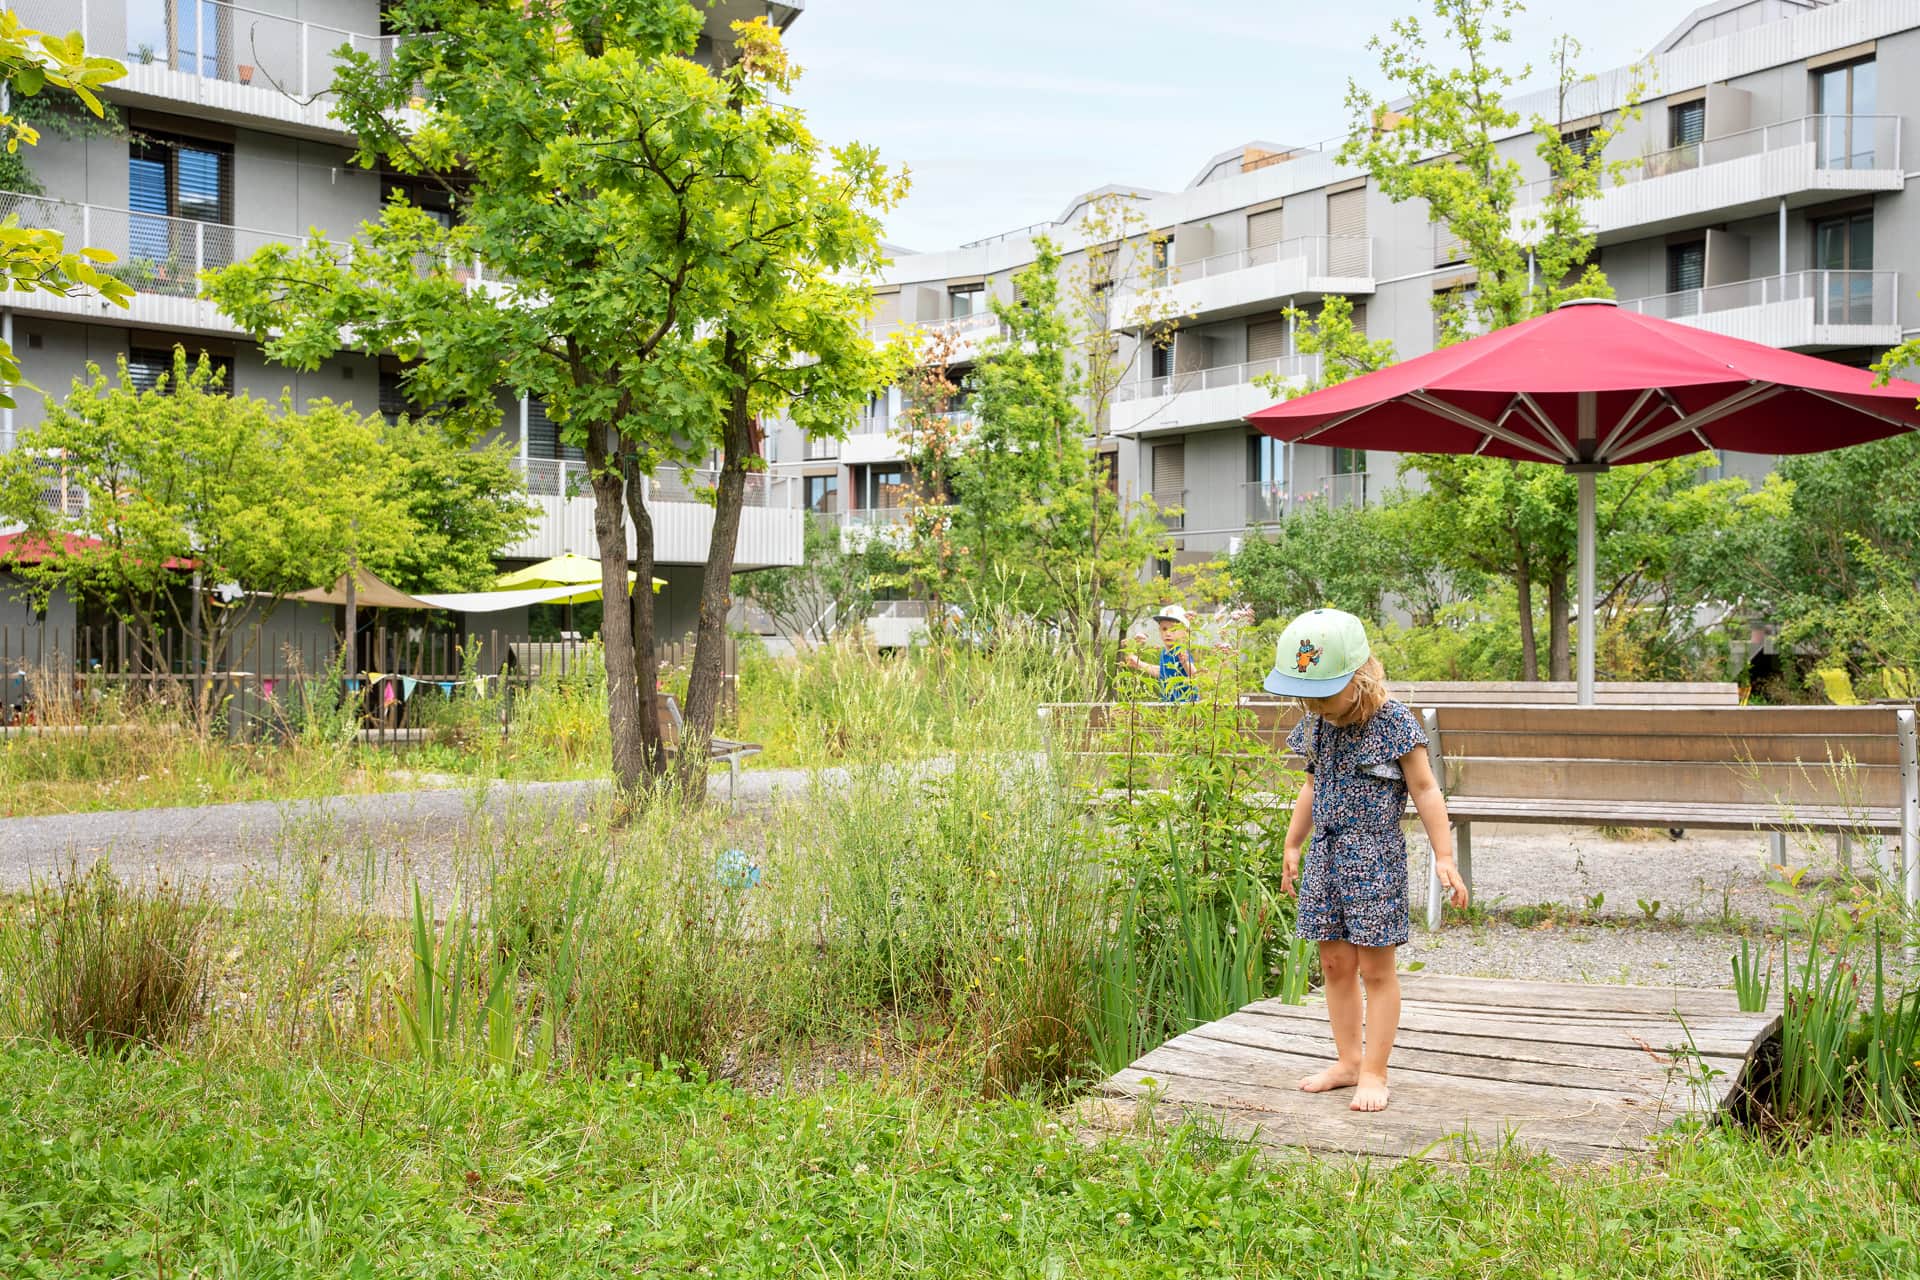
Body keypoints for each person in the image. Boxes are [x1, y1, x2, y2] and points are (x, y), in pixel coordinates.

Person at [1267, 607, 1468, 1113]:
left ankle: (1375, 1071)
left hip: (1374, 858)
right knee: (1334, 963)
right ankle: (1347, 1061)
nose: (1314, 706)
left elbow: (1425, 789)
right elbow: (1311, 786)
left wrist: (1444, 855)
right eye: (1305, 697)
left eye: (1323, 694)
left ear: (1360, 677)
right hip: (1327, 857)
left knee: (1376, 969)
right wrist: (1294, 842)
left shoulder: (1396, 722)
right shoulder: (1316, 725)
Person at [1122, 604, 1199, 702]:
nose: (1168, 633)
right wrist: (1139, 664)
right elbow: (1163, 672)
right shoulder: (1164, 652)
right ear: (1159, 631)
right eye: (1164, 629)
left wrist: (1185, 662)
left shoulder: (1181, 651)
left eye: (1173, 629)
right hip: (1169, 703)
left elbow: (1194, 675)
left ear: (1185, 632)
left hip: (1185, 704)